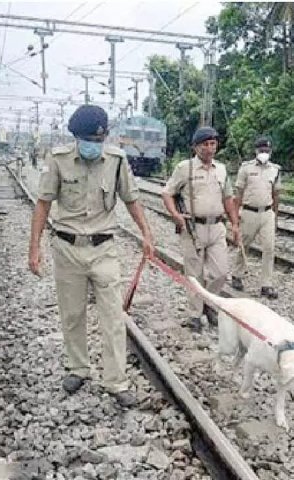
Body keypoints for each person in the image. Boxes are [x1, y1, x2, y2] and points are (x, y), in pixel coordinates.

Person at [28, 104, 154, 408]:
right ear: (76, 137)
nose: (93, 145)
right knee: (72, 314)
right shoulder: (58, 160)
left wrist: (147, 234)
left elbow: (131, 199)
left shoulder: (116, 160)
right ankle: (78, 368)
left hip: (103, 249)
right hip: (67, 248)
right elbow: (43, 203)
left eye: (99, 140)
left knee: (113, 316)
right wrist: (34, 248)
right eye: (88, 140)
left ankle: (116, 381)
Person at [161, 127, 240, 332]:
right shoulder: (184, 168)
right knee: (194, 274)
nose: (209, 148)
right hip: (193, 228)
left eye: (213, 144)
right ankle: (195, 314)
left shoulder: (221, 169)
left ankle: (208, 304)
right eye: (205, 144)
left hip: (217, 227)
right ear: (196, 147)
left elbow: (228, 198)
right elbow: (167, 193)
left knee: (221, 272)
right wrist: (175, 215)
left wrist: (235, 224)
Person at [231, 136, 281, 299]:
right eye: (262, 150)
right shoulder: (246, 168)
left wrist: (275, 215)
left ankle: (266, 284)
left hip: (267, 212)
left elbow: (276, 193)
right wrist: (235, 217)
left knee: (269, 248)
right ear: (256, 151)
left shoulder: (275, 170)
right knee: (244, 244)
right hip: (249, 212)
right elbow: (238, 194)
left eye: (267, 150)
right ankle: (237, 274)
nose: (264, 153)